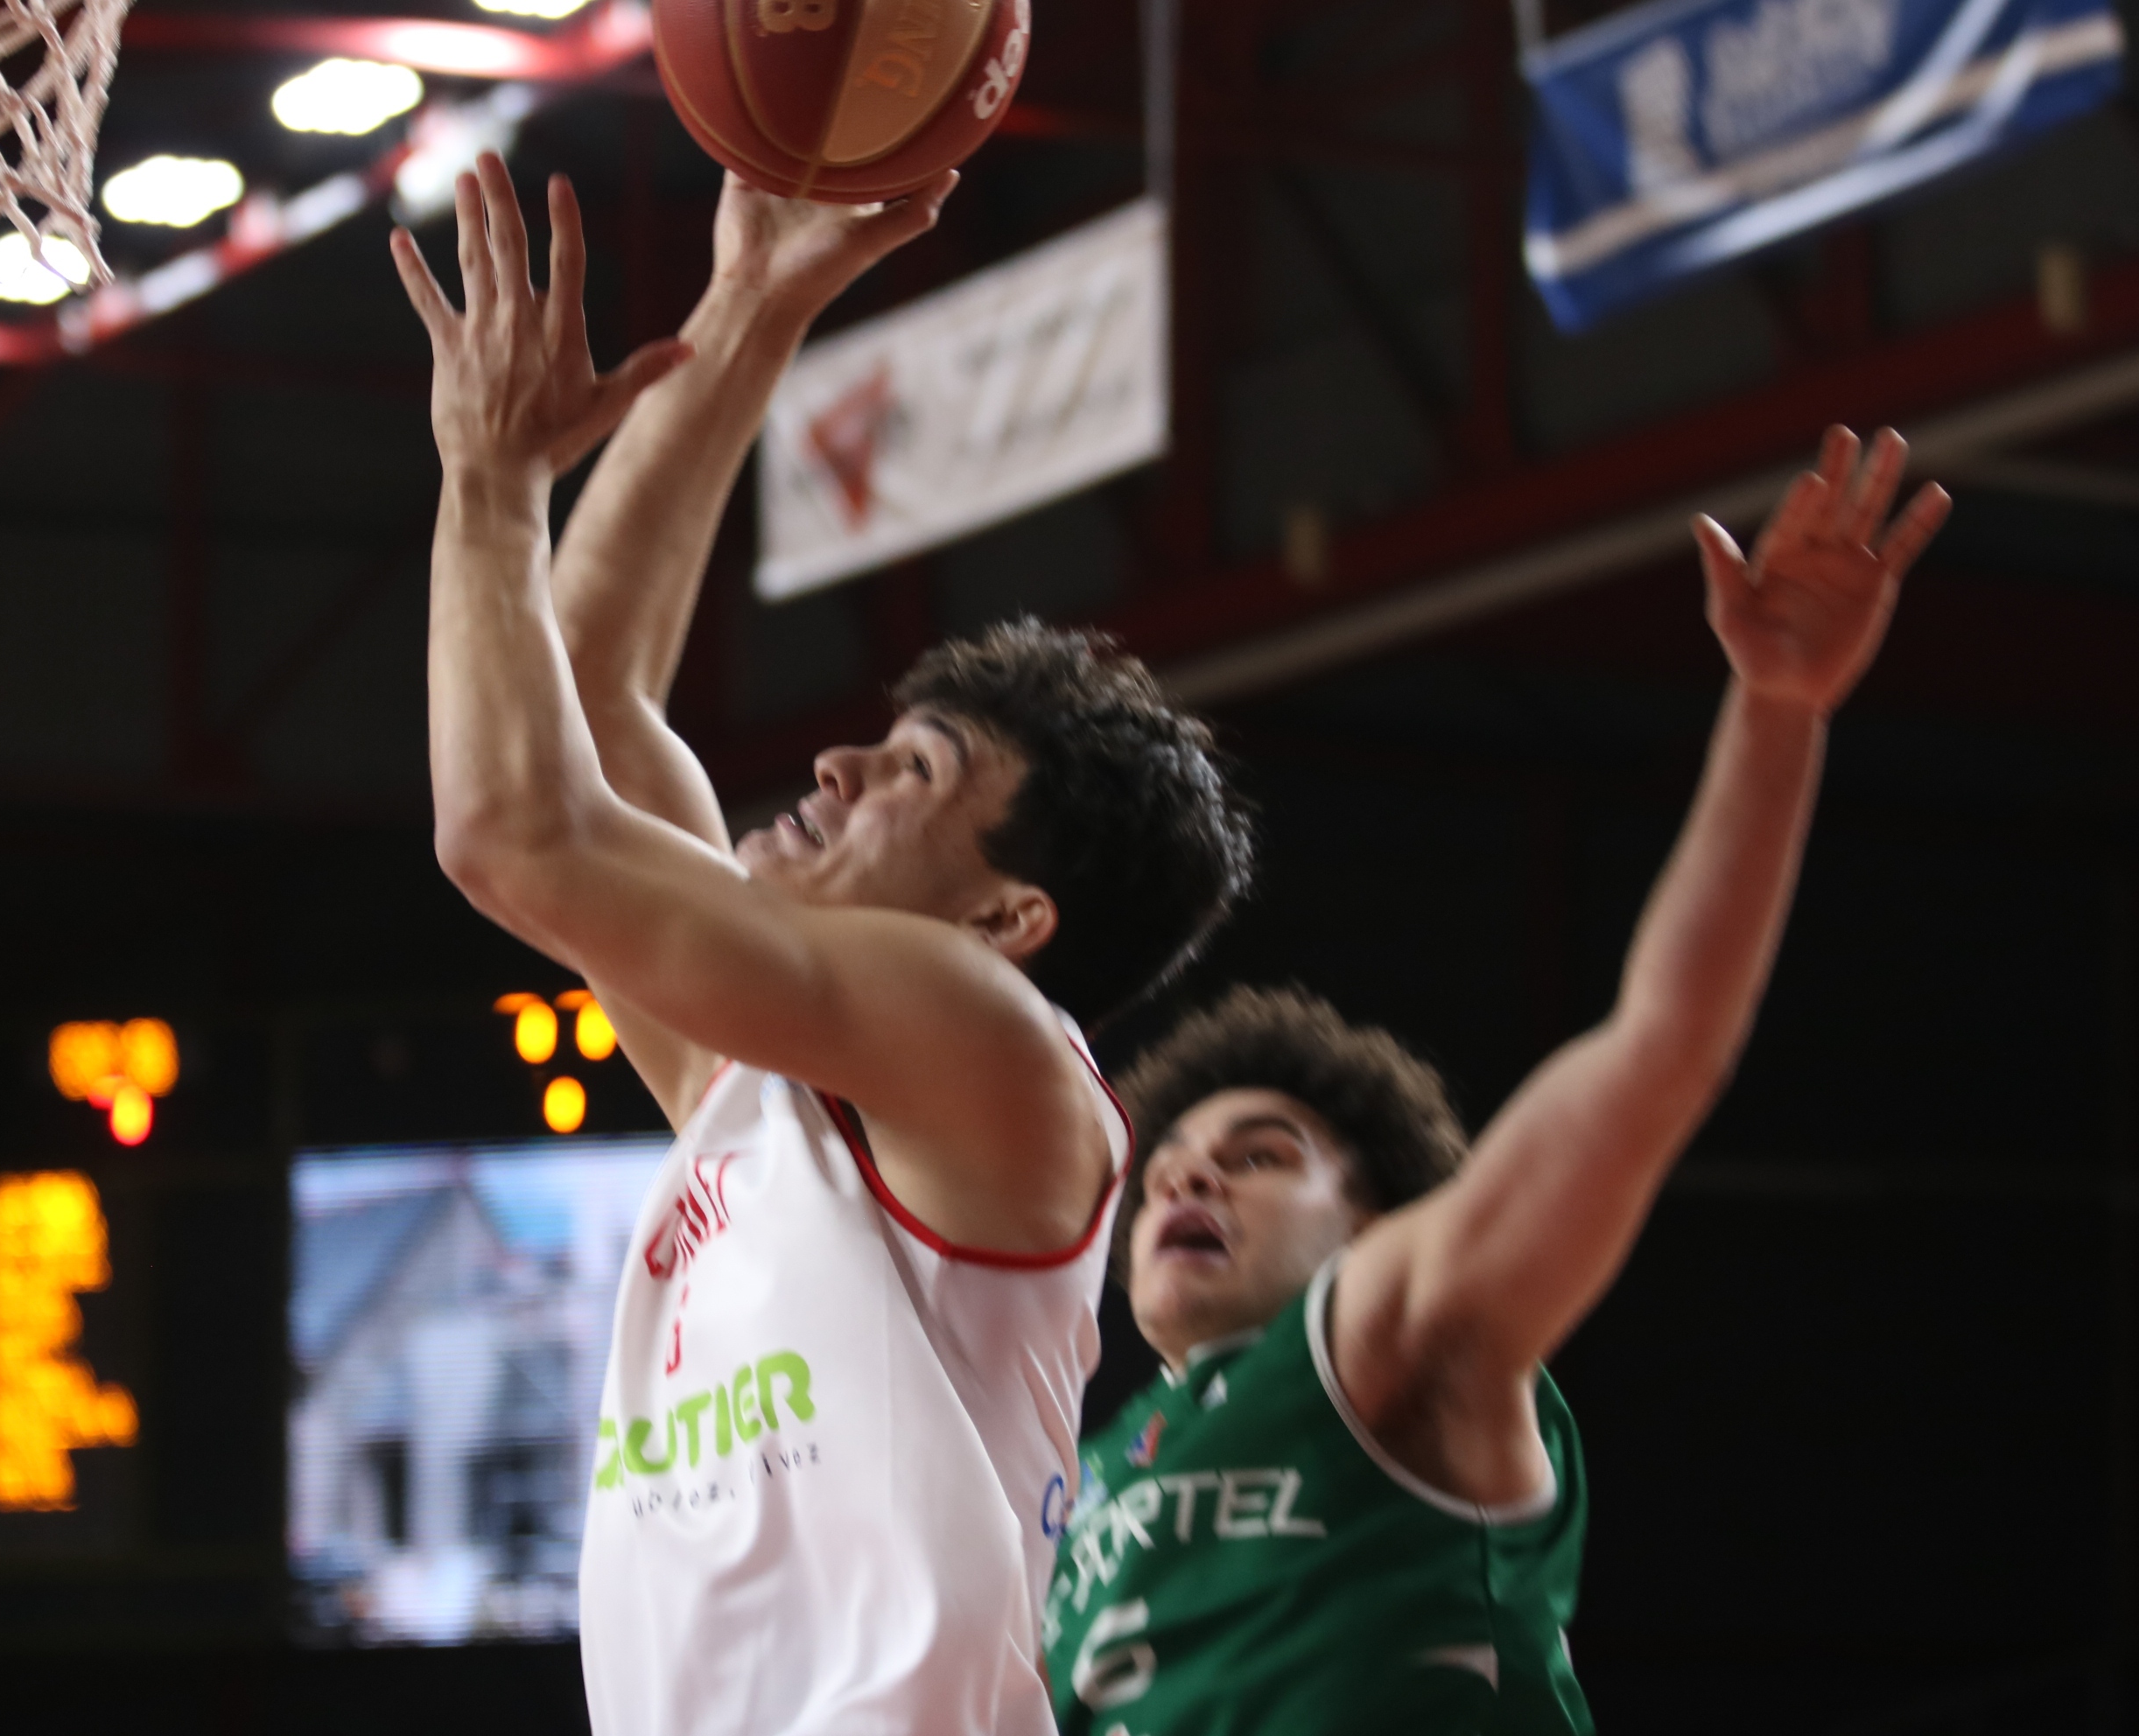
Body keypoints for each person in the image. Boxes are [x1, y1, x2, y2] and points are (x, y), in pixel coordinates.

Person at [389, 156, 1253, 1736]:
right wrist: (753, 301)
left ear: (1009, 922)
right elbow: (569, 698)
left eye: (917, 773)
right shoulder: (765, 1087)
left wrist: (493, 488)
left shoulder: (991, 1045)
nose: (840, 769)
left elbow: (513, 830)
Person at [1041, 428, 1953, 1734]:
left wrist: (1777, 712)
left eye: (1263, 1153)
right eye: (1174, 1159)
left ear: (1378, 1222)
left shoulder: (1390, 1334)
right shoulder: (1074, 1477)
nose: (1186, 1169)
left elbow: (1660, 1050)